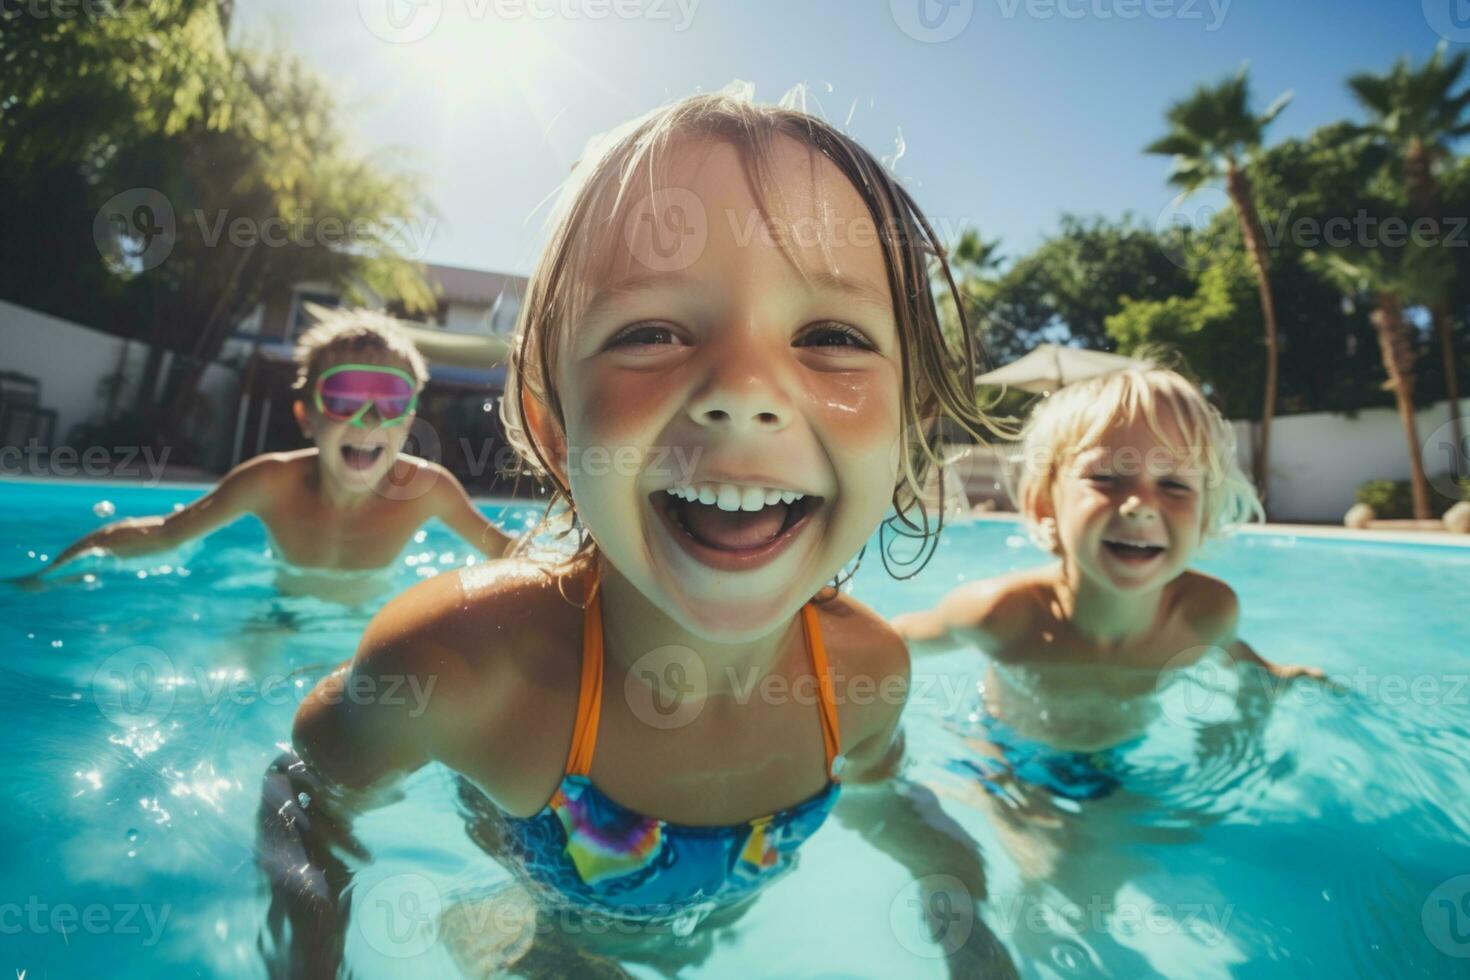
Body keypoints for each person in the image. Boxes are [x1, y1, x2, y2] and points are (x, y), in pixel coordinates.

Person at [258, 88, 1017, 977]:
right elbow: (309, 797)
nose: (745, 388)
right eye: (653, 331)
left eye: (830, 334)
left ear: (906, 427)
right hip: (541, 934)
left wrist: (970, 923)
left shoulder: (866, 678)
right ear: (554, 428)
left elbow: (890, 801)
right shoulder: (455, 666)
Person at [893, 362, 1325, 802]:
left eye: (1174, 484)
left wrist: (1275, 679)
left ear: (1205, 519)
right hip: (1007, 749)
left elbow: (1240, 660)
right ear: (1044, 504)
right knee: (1045, 858)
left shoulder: (1204, 614)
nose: (1140, 505)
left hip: (1119, 751)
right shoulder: (1000, 616)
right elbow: (895, 642)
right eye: (1105, 478)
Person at [21, 311, 512, 603]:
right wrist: (44, 576)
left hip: (371, 631)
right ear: (306, 416)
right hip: (279, 615)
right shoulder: (267, 483)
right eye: (343, 397)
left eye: (390, 400)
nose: (368, 419)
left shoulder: (429, 491)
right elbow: (164, 533)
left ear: (409, 421)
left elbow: (508, 553)